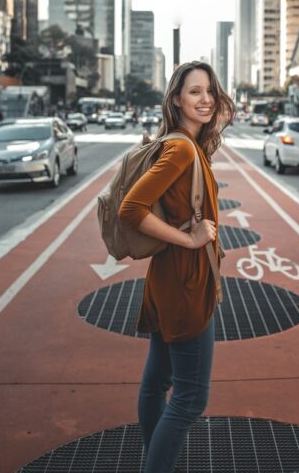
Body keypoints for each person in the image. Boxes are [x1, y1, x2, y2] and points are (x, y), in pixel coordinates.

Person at [118, 61, 235, 473]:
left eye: (210, 92)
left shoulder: (186, 143)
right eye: (194, 92)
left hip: (168, 279)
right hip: (187, 282)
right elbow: (132, 208)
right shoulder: (182, 147)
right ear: (176, 99)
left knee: (156, 385)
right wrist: (189, 238)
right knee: (189, 399)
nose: (205, 100)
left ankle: (153, 460)